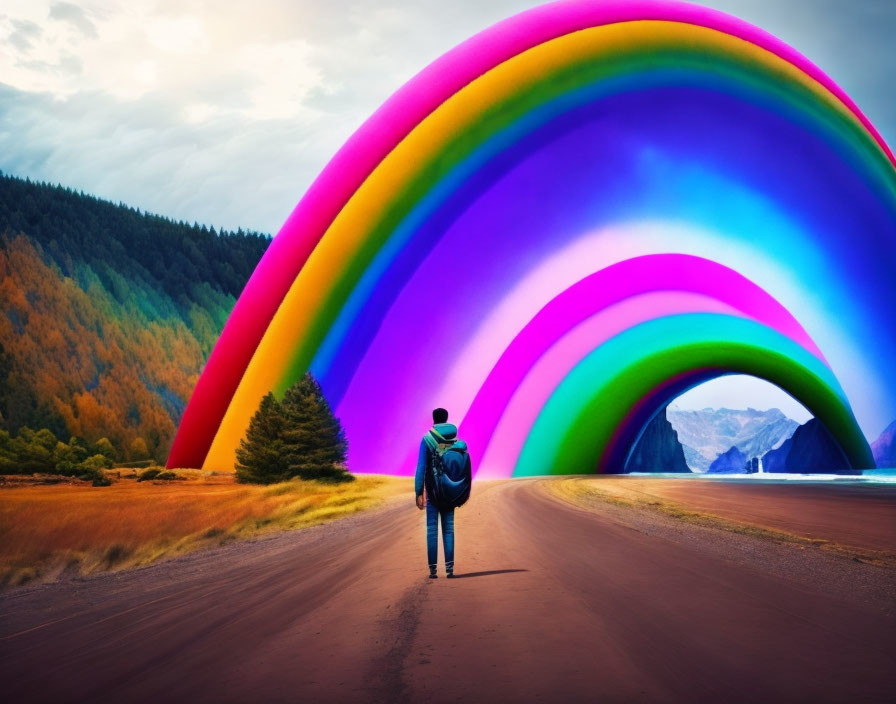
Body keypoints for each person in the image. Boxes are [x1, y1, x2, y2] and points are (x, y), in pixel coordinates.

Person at [415, 407, 471, 579]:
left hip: (433, 492)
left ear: (434, 420)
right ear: (446, 419)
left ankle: (433, 570)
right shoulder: (455, 441)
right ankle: (449, 569)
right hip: (449, 491)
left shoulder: (427, 439)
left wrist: (419, 491)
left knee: (432, 529)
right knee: (449, 529)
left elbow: (421, 468)